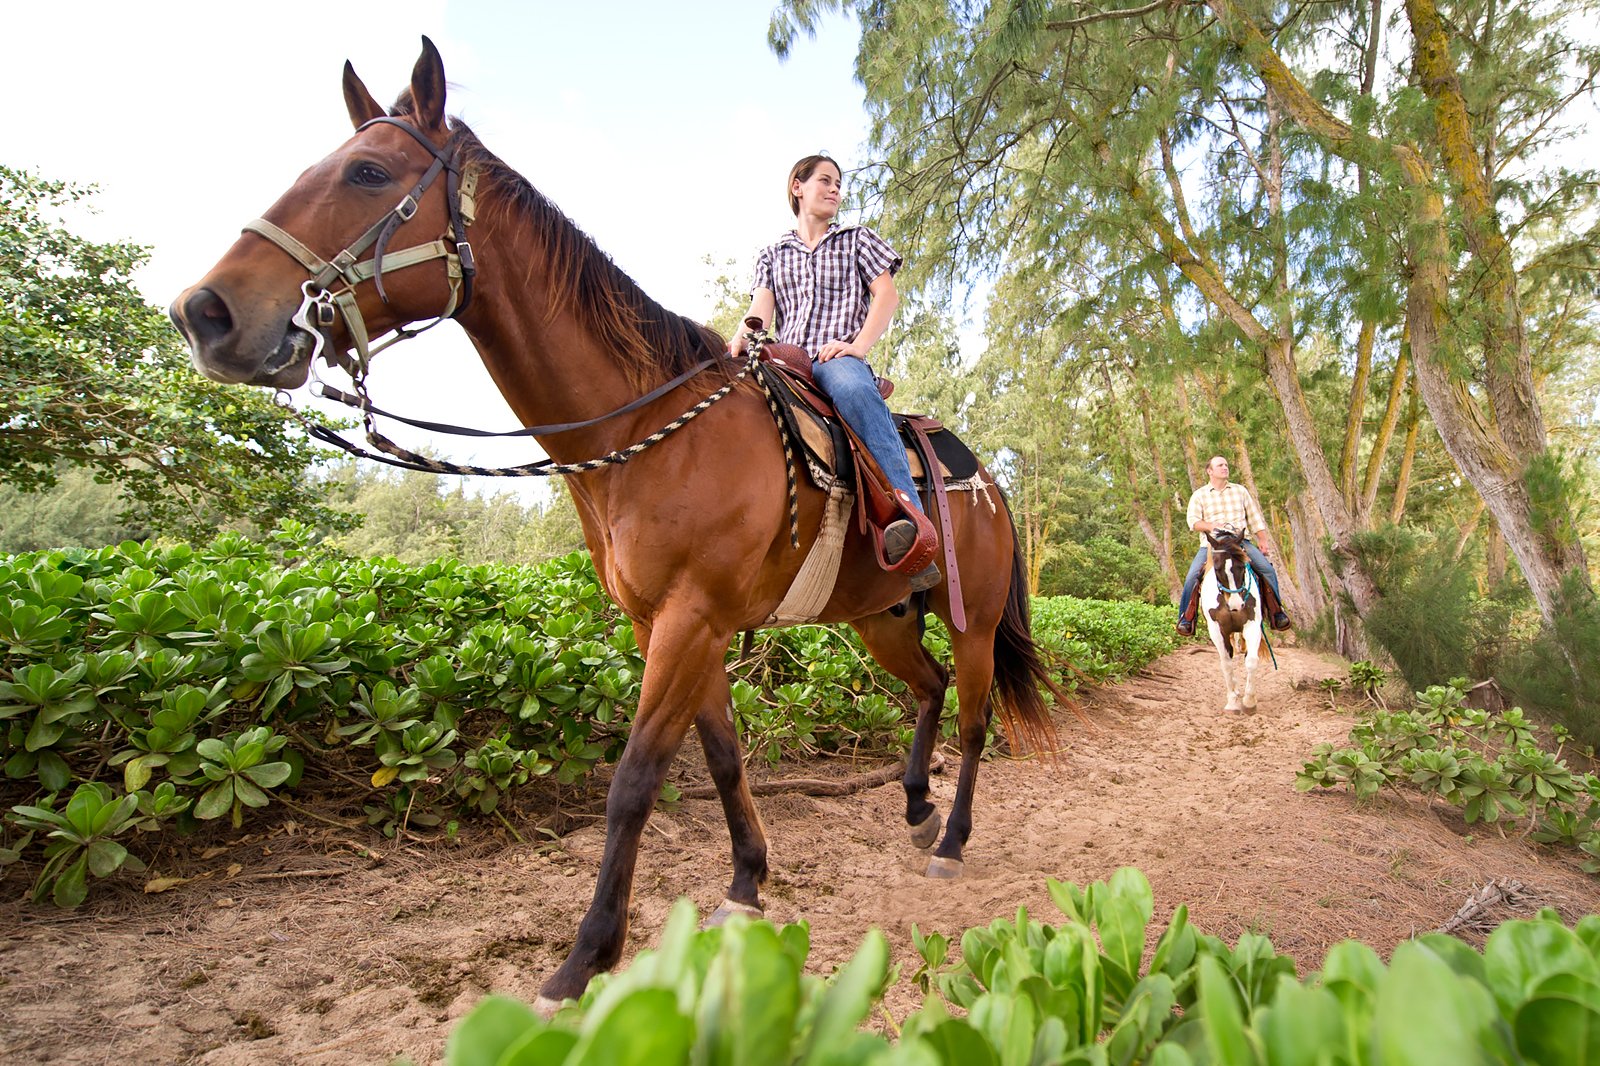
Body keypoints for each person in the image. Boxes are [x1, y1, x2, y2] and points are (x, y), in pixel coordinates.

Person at [729, 153, 940, 592]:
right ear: (797, 187)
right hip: (787, 360)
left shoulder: (856, 239)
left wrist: (857, 347)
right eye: (825, 180)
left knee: (852, 389)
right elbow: (760, 311)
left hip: (835, 357)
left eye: (839, 184)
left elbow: (887, 296)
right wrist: (740, 338)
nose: (835, 189)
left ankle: (908, 518)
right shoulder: (773, 253)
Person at [1176, 455, 1292, 635]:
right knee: (1192, 576)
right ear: (1210, 471)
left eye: (1226, 465)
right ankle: (1186, 618)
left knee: (1266, 570)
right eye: (1220, 465)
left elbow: (1254, 518)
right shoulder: (1199, 495)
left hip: (1240, 542)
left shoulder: (1240, 491)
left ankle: (1277, 613)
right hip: (1212, 545)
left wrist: (1262, 540)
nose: (1225, 467)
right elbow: (1193, 522)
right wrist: (1212, 526)